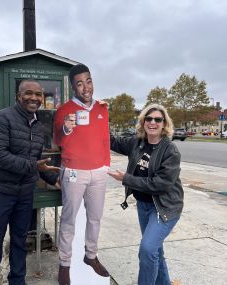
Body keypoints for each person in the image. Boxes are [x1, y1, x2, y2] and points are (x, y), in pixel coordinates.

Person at [0, 80, 59, 285]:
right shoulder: (1, 119)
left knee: (19, 241)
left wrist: (55, 178)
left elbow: (38, 160)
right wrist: (34, 166)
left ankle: (17, 281)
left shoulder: (39, 127)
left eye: (38, 94)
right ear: (18, 96)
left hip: (24, 194)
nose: (34, 98)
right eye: (29, 93)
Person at [108, 103, 184, 285]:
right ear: (143, 122)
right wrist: (100, 113)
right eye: (148, 119)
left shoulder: (170, 150)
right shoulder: (136, 143)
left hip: (165, 207)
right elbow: (111, 141)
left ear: (164, 124)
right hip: (143, 206)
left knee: (148, 250)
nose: (153, 122)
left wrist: (127, 179)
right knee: (155, 251)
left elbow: (161, 184)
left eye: (158, 119)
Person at [54, 64, 110, 285]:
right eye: (80, 83)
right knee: (69, 220)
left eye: (88, 81)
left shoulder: (102, 108)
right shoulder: (63, 110)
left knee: (95, 218)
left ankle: (91, 256)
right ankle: (64, 264)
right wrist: (66, 129)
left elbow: (105, 139)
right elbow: (58, 141)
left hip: (98, 172)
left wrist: (106, 164)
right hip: (74, 172)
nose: (86, 87)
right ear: (73, 87)